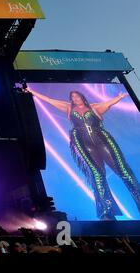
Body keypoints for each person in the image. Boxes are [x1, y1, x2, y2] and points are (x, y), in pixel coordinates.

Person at [27, 88, 140, 220]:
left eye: (77, 96)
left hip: (102, 139)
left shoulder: (94, 107)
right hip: (82, 142)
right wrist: (31, 91)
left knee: (122, 169)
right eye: (72, 97)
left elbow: (109, 103)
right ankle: (106, 211)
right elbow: (49, 100)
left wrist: (119, 98)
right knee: (97, 174)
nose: (75, 98)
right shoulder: (69, 108)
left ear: (82, 97)